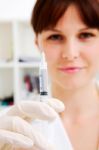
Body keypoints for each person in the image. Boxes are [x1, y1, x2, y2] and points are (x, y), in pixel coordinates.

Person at [0, 0, 99, 149]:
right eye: (55, 37)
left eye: (86, 34)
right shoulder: (9, 127)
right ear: (37, 43)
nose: (70, 54)